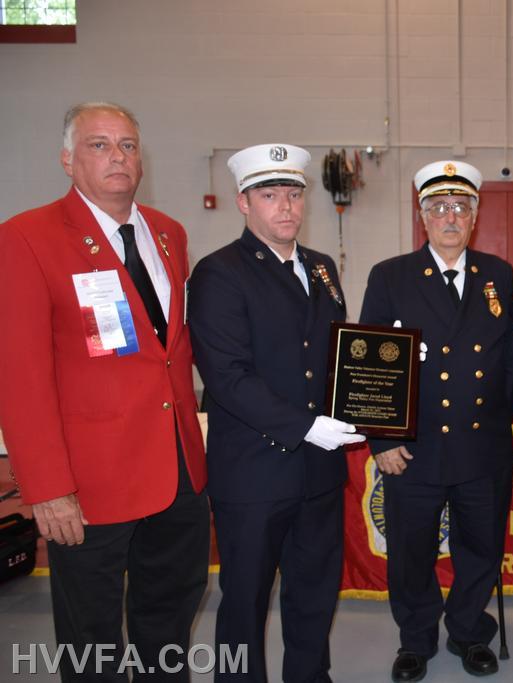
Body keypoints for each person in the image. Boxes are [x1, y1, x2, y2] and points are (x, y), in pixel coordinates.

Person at [0, 101, 209, 679]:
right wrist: (46, 488)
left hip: (176, 473)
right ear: (68, 159)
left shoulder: (168, 234)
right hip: (88, 486)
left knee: (169, 616)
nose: (117, 156)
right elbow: (20, 377)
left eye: (127, 145)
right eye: (99, 144)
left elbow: (168, 351)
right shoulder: (27, 237)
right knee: (91, 638)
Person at [187, 143, 365, 682]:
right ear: (244, 203)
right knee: (244, 602)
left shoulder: (321, 267)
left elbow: (335, 355)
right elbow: (228, 376)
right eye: (270, 195)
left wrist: (391, 363)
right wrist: (307, 425)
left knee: (313, 592)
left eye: (293, 194)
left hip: (317, 470)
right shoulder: (220, 273)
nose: (286, 206)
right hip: (255, 472)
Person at [359, 160, 513, 682]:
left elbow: (511, 355)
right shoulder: (391, 275)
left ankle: (470, 632)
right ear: (423, 217)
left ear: (474, 216)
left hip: (482, 447)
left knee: (481, 548)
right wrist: (382, 437)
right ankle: (416, 639)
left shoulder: (498, 274)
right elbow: (371, 362)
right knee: (411, 551)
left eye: (460, 207)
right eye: (439, 208)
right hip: (415, 448)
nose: (450, 216)